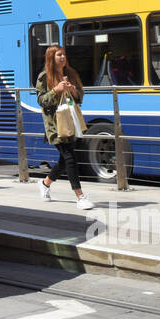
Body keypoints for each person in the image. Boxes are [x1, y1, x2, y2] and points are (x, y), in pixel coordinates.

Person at [34, 45, 93, 210]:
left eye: (64, 54)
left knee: (65, 160)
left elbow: (80, 97)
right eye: (59, 55)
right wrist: (56, 90)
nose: (63, 57)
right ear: (51, 58)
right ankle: (80, 197)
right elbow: (41, 100)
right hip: (55, 124)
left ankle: (45, 184)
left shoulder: (71, 74)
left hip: (70, 120)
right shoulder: (44, 76)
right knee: (69, 157)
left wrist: (74, 92)